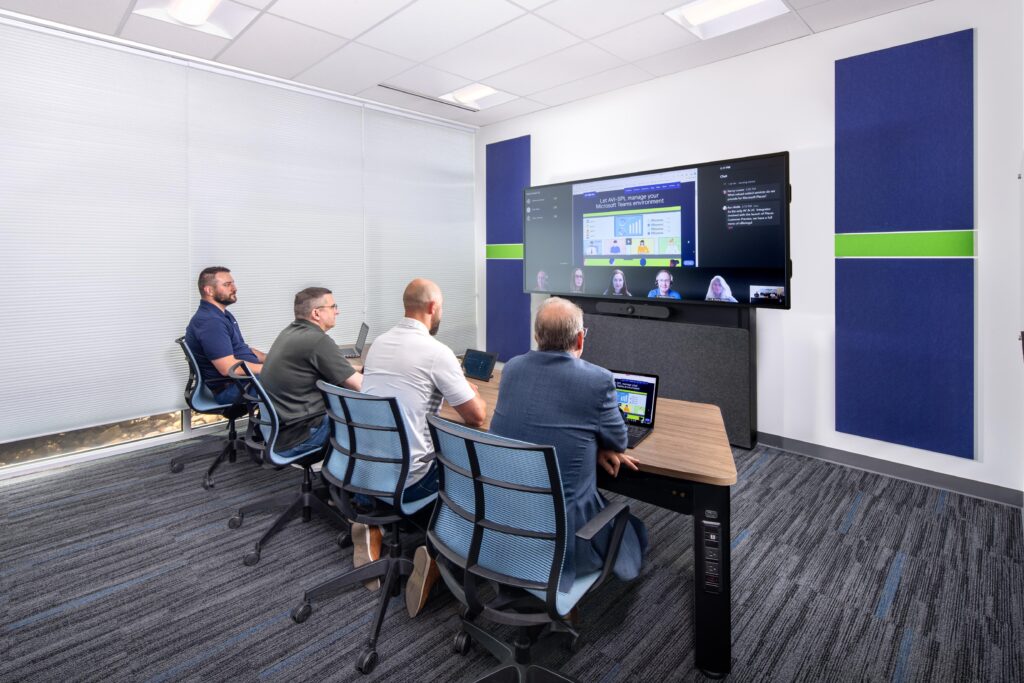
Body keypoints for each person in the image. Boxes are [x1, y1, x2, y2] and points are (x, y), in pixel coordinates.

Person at [490, 297, 648, 593]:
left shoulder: (511, 369)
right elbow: (619, 441)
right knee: (633, 532)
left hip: (503, 524)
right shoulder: (598, 380)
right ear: (579, 338)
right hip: (565, 541)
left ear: (537, 336)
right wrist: (598, 442)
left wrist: (590, 439)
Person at [361, 278, 487, 617]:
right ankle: (437, 551)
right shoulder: (436, 352)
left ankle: (371, 524)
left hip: (367, 467)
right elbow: (476, 417)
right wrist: (469, 391)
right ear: (432, 308)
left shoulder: (379, 344)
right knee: (473, 475)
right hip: (411, 476)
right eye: (442, 306)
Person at [259, 287, 363, 457]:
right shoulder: (318, 340)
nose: (338, 311)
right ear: (316, 313)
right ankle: (364, 477)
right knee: (371, 415)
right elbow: (359, 385)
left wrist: (361, 370)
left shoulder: (290, 332)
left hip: (280, 431)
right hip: (301, 437)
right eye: (333, 306)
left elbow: (326, 368)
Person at [185, 266, 266, 405]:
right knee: (299, 380)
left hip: (244, 381)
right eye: (227, 285)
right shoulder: (210, 322)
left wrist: (271, 358)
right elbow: (228, 367)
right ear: (209, 290)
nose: (234, 288)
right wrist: (270, 369)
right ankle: (282, 426)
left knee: (296, 375)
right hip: (234, 388)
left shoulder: (222, 314)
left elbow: (241, 348)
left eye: (233, 283)